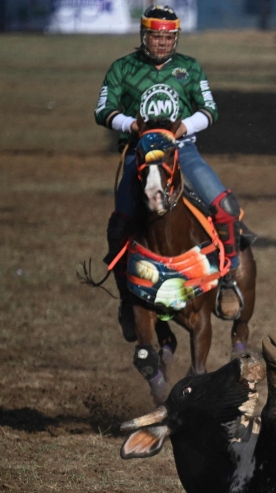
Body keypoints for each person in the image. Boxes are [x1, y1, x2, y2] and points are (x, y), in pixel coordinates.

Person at [95, 5, 247, 340]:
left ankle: (228, 281)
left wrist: (183, 128)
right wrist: (131, 124)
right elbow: (103, 110)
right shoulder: (123, 68)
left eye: (168, 37)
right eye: (155, 36)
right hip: (141, 153)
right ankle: (126, 299)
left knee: (225, 208)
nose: (162, 43)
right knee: (120, 222)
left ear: (175, 37)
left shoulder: (189, 68)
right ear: (143, 35)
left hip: (183, 152)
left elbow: (210, 110)